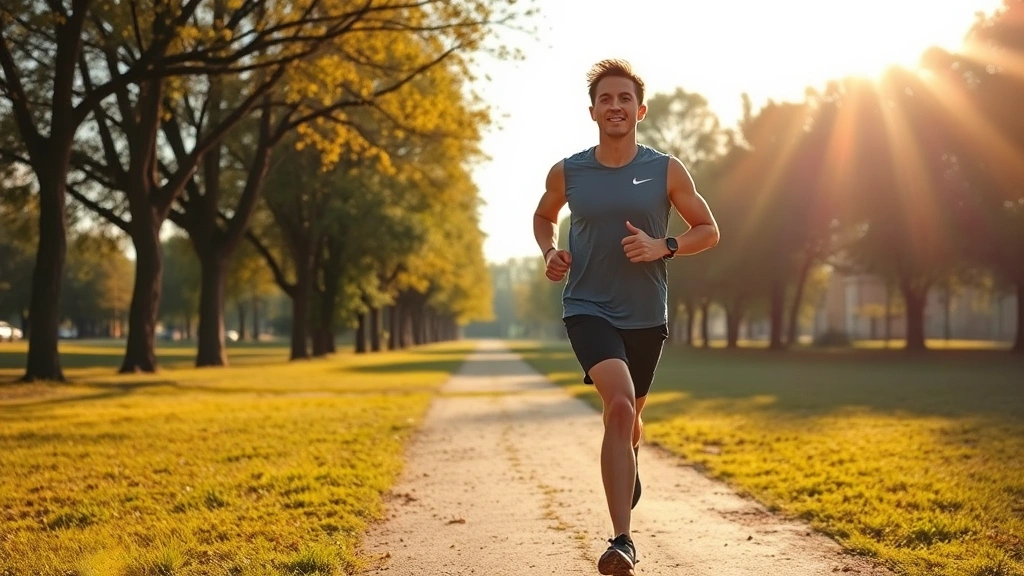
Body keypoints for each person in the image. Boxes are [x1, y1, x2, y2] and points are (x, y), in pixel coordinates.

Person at [532, 59, 720, 575]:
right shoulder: (569, 171)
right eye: (605, 100)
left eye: (623, 99)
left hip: (645, 315)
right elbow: (544, 216)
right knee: (617, 405)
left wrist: (665, 245)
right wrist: (550, 251)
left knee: (631, 419)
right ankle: (622, 540)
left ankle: (628, 458)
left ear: (640, 109)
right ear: (592, 111)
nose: (614, 107)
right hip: (587, 307)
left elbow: (708, 229)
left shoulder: (666, 169)